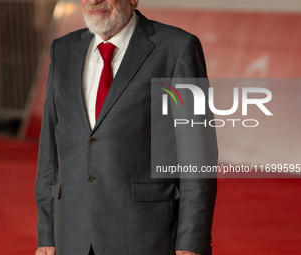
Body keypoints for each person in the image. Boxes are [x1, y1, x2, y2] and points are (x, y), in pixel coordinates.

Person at [35, 0, 218, 254]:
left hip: (145, 236)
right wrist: (46, 234)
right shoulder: (63, 49)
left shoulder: (176, 47)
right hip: (72, 235)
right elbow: (50, 152)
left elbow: (198, 156)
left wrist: (191, 243)